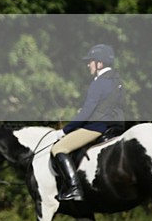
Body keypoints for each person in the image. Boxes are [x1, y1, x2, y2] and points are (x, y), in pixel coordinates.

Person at [51, 44, 124, 201]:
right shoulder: (116, 80)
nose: (88, 65)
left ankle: (74, 188)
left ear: (100, 63)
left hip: (97, 126)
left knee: (58, 148)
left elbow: (86, 113)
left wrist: (64, 131)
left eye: (91, 61)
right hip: (116, 125)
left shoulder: (99, 83)